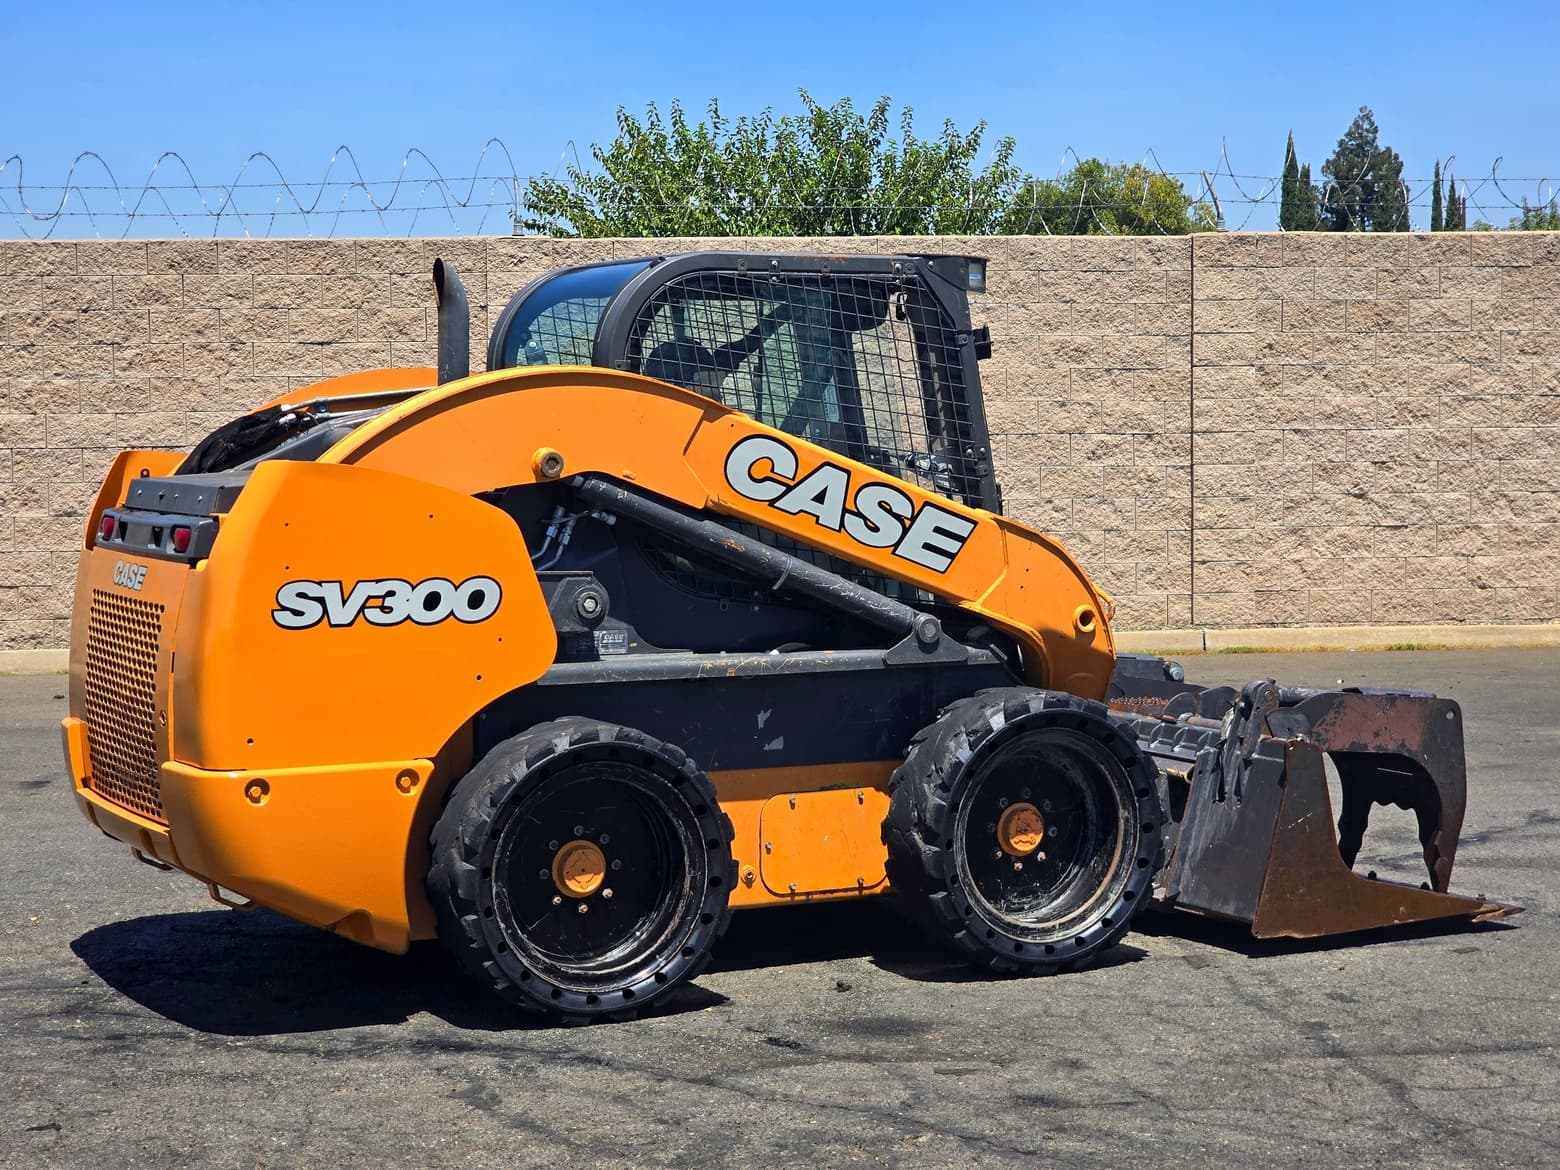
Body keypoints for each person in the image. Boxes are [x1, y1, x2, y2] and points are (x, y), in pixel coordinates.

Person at [642, 299, 793, 398]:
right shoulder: (711, 374)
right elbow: (750, 342)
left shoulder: (715, 370)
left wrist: (787, 310)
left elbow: (751, 342)